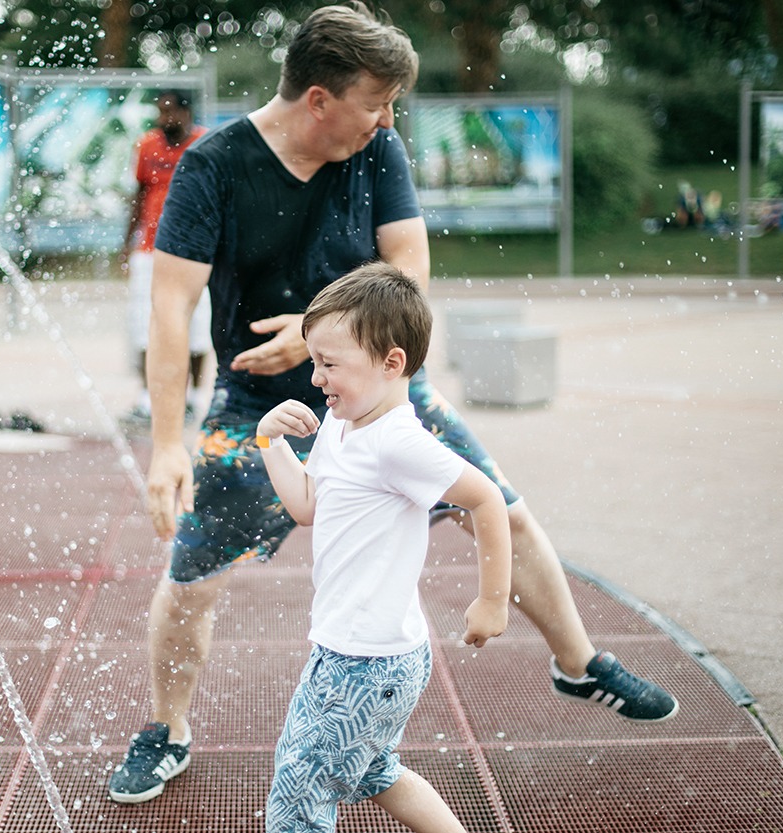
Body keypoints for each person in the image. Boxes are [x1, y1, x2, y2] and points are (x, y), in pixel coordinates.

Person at [107, 1, 678, 806]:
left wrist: (314, 336)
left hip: (379, 394)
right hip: (257, 409)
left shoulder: (377, 151)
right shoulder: (215, 167)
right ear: (319, 100)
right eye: (375, 102)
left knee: (503, 510)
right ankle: (166, 731)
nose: (385, 120)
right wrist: (168, 439)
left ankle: (579, 665)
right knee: (193, 577)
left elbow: (409, 271)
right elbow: (171, 310)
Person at [258, 263, 511, 832]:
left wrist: (492, 601)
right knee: (373, 770)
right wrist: (270, 441)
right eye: (314, 361)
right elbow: (307, 507)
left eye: (329, 364)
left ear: (391, 362)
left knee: (300, 793)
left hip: (365, 661)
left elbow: (487, 499)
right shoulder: (342, 424)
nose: (317, 377)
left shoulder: (398, 442)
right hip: (361, 649)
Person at [119, 89, 211, 428]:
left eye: (171, 112)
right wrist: (125, 243)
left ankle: (193, 397)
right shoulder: (147, 145)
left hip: (195, 251)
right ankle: (147, 397)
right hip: (151, 249)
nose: (165, 119)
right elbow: (138, 195)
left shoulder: (204, 145)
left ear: (188, 113)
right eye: (160, 112)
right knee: (145, 325)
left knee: (197, 325)